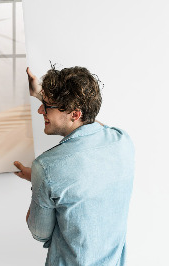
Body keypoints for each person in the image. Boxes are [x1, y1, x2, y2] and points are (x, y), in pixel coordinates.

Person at [14, 66, 134, 265]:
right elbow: (92, 125)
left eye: (47, 106)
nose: (40, 110)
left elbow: (39, 233)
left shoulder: (46, 167)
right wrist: (40, 94)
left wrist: (38, 180)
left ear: (75, 114)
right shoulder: (122, 141)